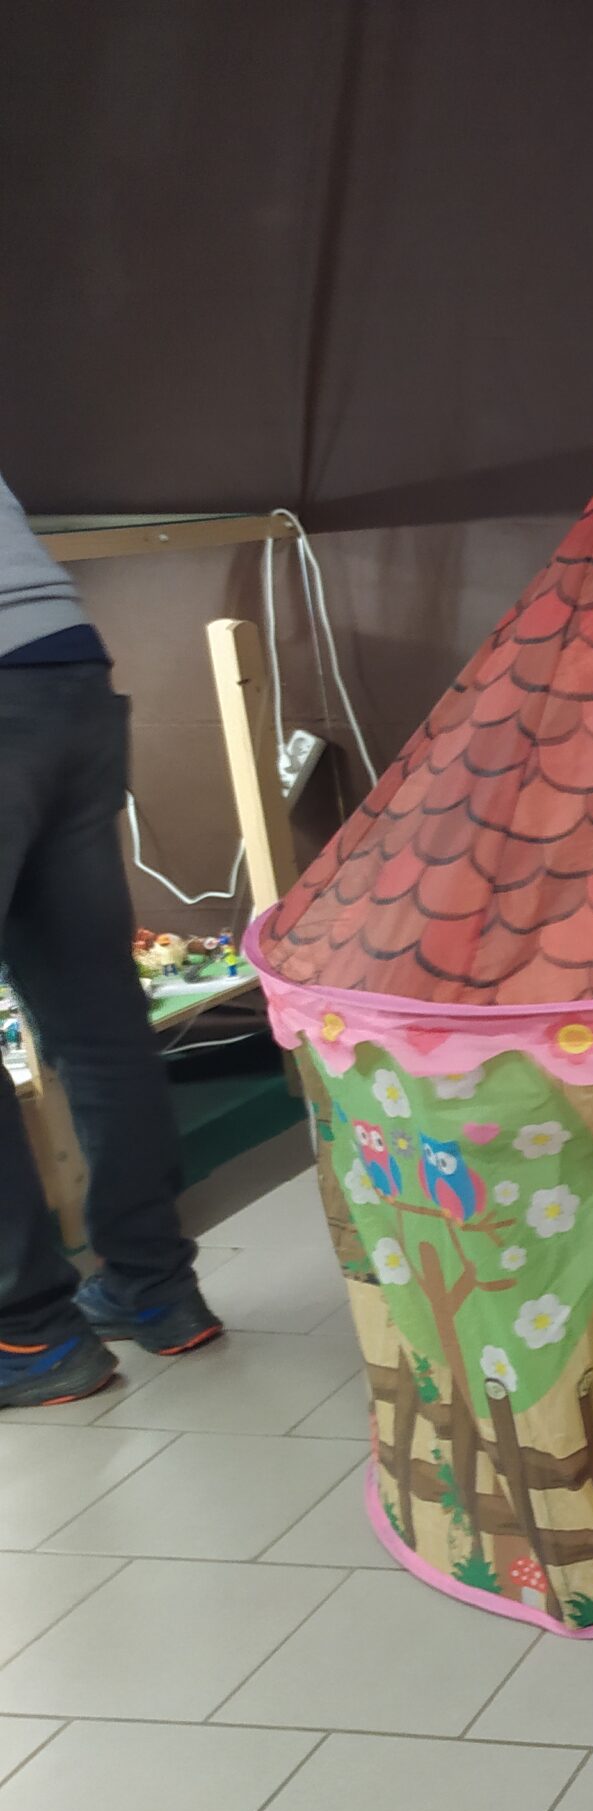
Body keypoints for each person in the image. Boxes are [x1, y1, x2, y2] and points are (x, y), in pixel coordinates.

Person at [0, 471, 224, 1409]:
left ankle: (28, 1332)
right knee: (95, 1010)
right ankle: (154, 1284)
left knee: (91, 1011)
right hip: (65, 668)